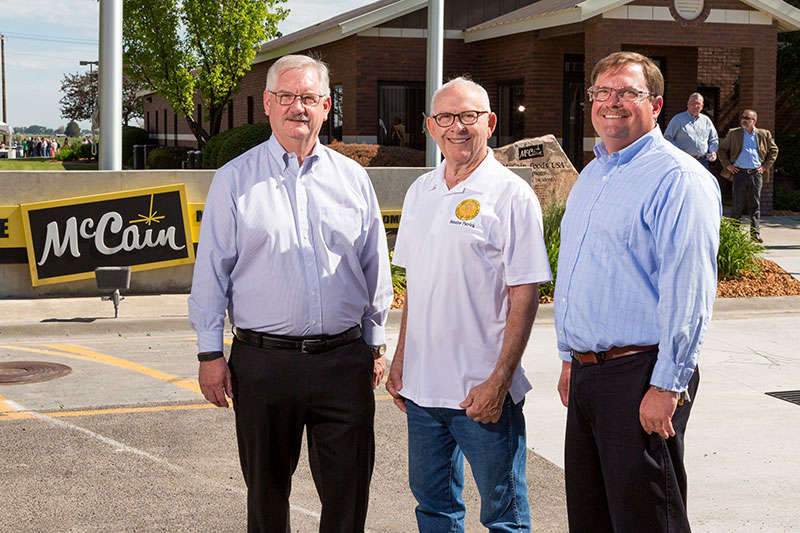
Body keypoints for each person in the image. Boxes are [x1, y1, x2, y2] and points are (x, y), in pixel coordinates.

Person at [188, 54, 393, 533]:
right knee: (266, 500)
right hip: (262, 366)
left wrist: (375, 342)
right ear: (267, 104)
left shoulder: (353, 179)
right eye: (286, 96)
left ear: (326, 106)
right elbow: (212, 270)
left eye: (308, 98)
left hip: (344, 362)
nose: (297, 107)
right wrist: (208, 352)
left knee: (348, 502)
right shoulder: (234, 179)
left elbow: (373, 265)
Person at [554, 52, 721, 532]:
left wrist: (667, 384)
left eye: (629, 92)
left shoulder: (679, 179)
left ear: (657, 104)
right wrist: (570, 358)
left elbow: (688, 292)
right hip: (590, 376)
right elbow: (581, 270)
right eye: (602, 92)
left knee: (646, 519)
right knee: (592, 517)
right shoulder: (593, 173)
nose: (613, 103)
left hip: (642, 374)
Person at [386, 77, 552, 531]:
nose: (457, 127)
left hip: (482, 393)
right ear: (430, 127)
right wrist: (400, 361)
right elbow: (416, 287)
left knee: (504, 517)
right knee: (434, 508)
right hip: (422, 393)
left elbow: (526, 293)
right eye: (445, 117)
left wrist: (499, 381)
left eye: (469, 117)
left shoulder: (511, 195)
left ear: (491, 123)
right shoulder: (420, 192)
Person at [718, 109, 779, 243]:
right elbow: (721, 150)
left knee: (755, 204)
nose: (744, 120)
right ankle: (733, 233)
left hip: (756, 174)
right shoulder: (734, 133)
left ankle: (755, 233)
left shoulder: (764, 134)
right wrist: (727, 165)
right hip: (739, 173)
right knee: (737, 204)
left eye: (747, 118)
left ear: (754, 121)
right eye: (743, 117)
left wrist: (765, 167)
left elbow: (774, 150)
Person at [663, 92, 718, 169]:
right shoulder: (678, 119)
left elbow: (713, 138)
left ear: (702, 106)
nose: (695, 106)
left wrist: (713, 151)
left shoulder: (706, 120)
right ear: (688, 104)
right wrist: (677, 150)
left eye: (698, 104)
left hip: (702, 161)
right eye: (692, 103)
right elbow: (667, 138)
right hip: (683, 160)